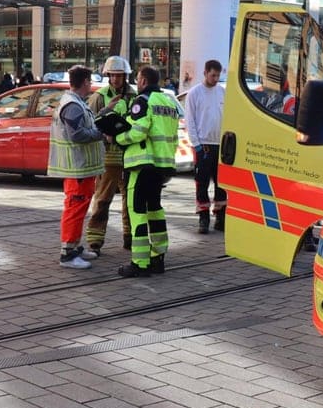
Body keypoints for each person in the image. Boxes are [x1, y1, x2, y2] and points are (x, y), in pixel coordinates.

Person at [115, 65, 179, 278]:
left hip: (142, 165)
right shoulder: (169, 102)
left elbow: (138, 131)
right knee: (155, 211)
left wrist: (117, 137)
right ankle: (158, 258)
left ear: (143, 80)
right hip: (162, 166)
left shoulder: (142, 101)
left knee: (138, 213)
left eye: (138, 78)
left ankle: (140, 262)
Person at [49, 65, 107, 269]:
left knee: (78, 208)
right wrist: (101, 135)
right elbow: (78, 135)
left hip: (81, 169)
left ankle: (74, 247)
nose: (91, 85)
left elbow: (85, 126)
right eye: (90, 82)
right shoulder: (73, 105)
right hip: (77, 168)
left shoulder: (76, 103)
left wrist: (107, 111)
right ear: (84, 82)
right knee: (74, 209)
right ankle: (67, 254)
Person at [86, 55, 135, 254]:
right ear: (107, 76)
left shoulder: (134, 96)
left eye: (119, 75)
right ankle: (95, 241)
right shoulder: (99, 97)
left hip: (130, 156)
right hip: (108, 158)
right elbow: (90, 123)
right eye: (112, 75)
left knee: (130, 201)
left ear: (125, 76)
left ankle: (129, 237)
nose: (116, 79)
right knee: (103, 200)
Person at [186, 59, 227, 234]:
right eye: (213, 75)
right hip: (204, 145)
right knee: (201, 184)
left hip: (220, 144)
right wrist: (197, 145)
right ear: (205, 73)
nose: (216, 78)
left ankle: (220, 216)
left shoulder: (222, 92)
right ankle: (203, 217)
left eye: (218, 75)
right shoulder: (194, 93)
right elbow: (190, 121)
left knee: (221, 184)